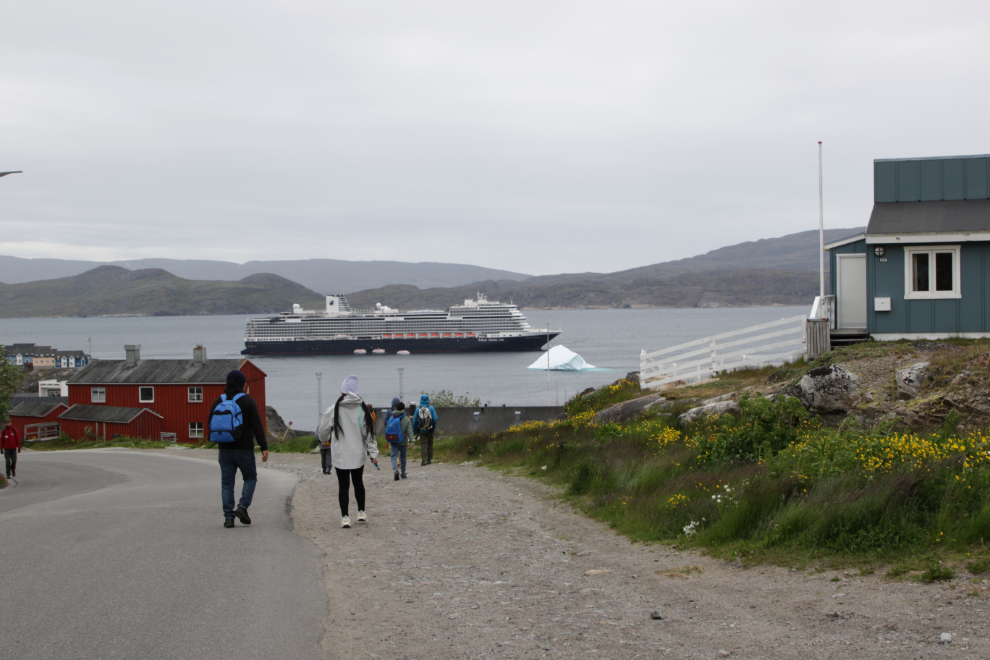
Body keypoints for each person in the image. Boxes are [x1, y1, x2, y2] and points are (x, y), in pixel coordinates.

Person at [208, 370, 268, 528]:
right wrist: (264, 447)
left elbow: (210, 423)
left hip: (224, 449)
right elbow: (257, 426)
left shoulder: (218, 401)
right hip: (244, 449)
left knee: (227, 484)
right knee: (250, 478)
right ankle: (242, 507)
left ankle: (228, 518)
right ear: (242, 384)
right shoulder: (248, 401)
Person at [318, 375, 379, 528]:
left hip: (340, 454)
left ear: (343, 392)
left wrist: (323, 439)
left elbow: (323, 430)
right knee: (358, 482)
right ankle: (361, 512)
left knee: (343, 485)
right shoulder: (362, 410)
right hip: (358, 453)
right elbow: (369, 435)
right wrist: (374, 454)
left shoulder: (333, 409)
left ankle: (345, 517)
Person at [385, 401, 415, 481]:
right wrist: (411, 441)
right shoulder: (406, 418)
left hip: (393, 440)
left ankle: (395, 470)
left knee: (393, 456)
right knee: (403, 457)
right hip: (403, 440)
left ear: (396, 408)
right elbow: (409, 431)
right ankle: (403, 473)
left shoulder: (392, 417)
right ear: (404, 409)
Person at [413, 393, 438, 466]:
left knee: (423, 445)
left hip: (421, 430)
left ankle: (424, 460)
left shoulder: (418, 409)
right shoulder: (431, 408)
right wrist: (433, 427)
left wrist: (415, 431)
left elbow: (414, 421)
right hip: (430, 429)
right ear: (428, 400)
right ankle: (429, 459)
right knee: (430, 444)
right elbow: (435, 418)